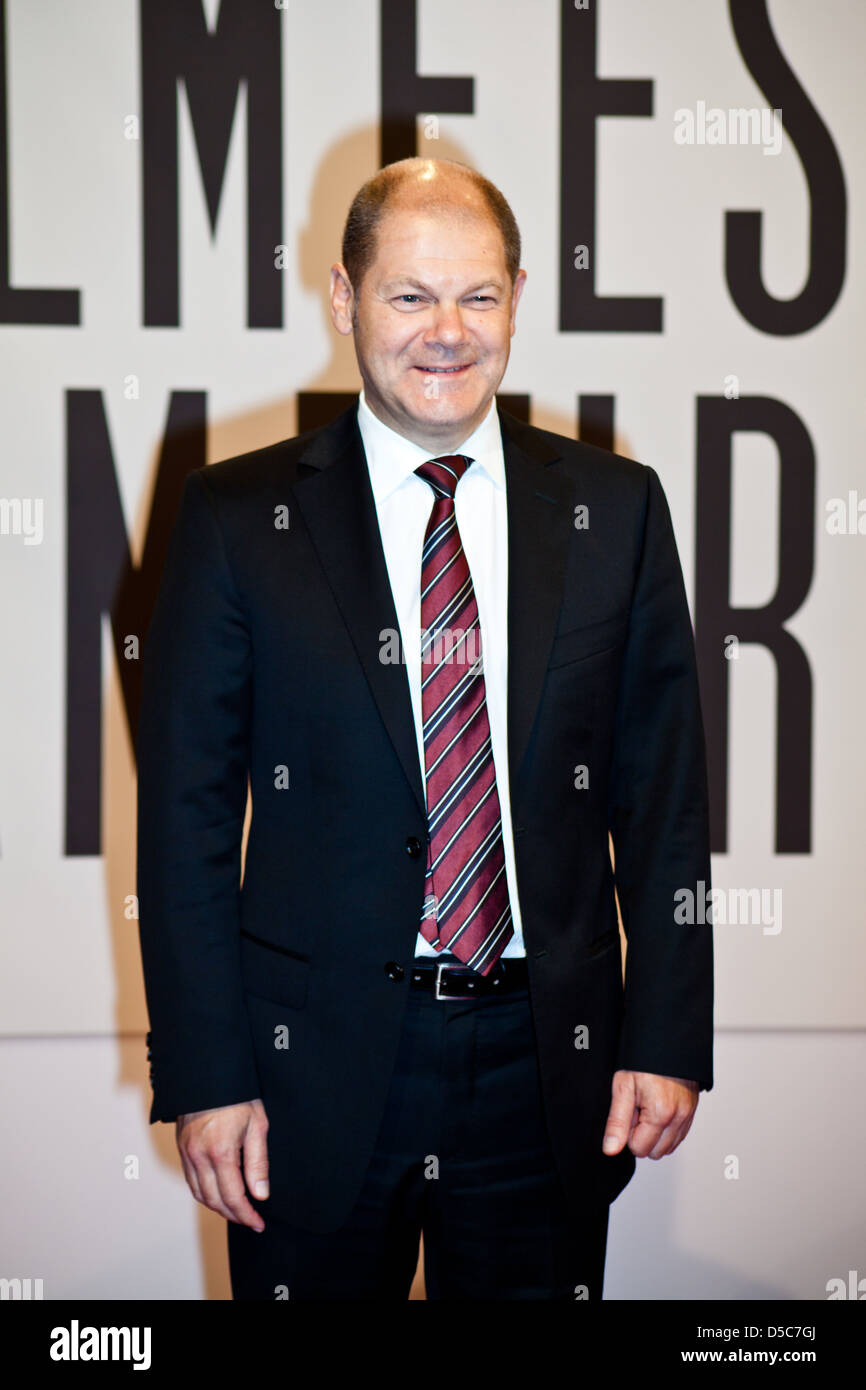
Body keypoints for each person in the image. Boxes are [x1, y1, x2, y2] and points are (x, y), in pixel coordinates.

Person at [136, 156, 713, 1301]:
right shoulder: (236, 518)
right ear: (345, 299)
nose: (445, 332)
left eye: (478, 295)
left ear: (517, 296)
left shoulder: (615, 509)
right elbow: (185, 823)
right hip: (311, 1073)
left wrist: (664, 1034)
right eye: (408, 296)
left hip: (545, 1068)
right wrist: (206, 1073)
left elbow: (663, 800)